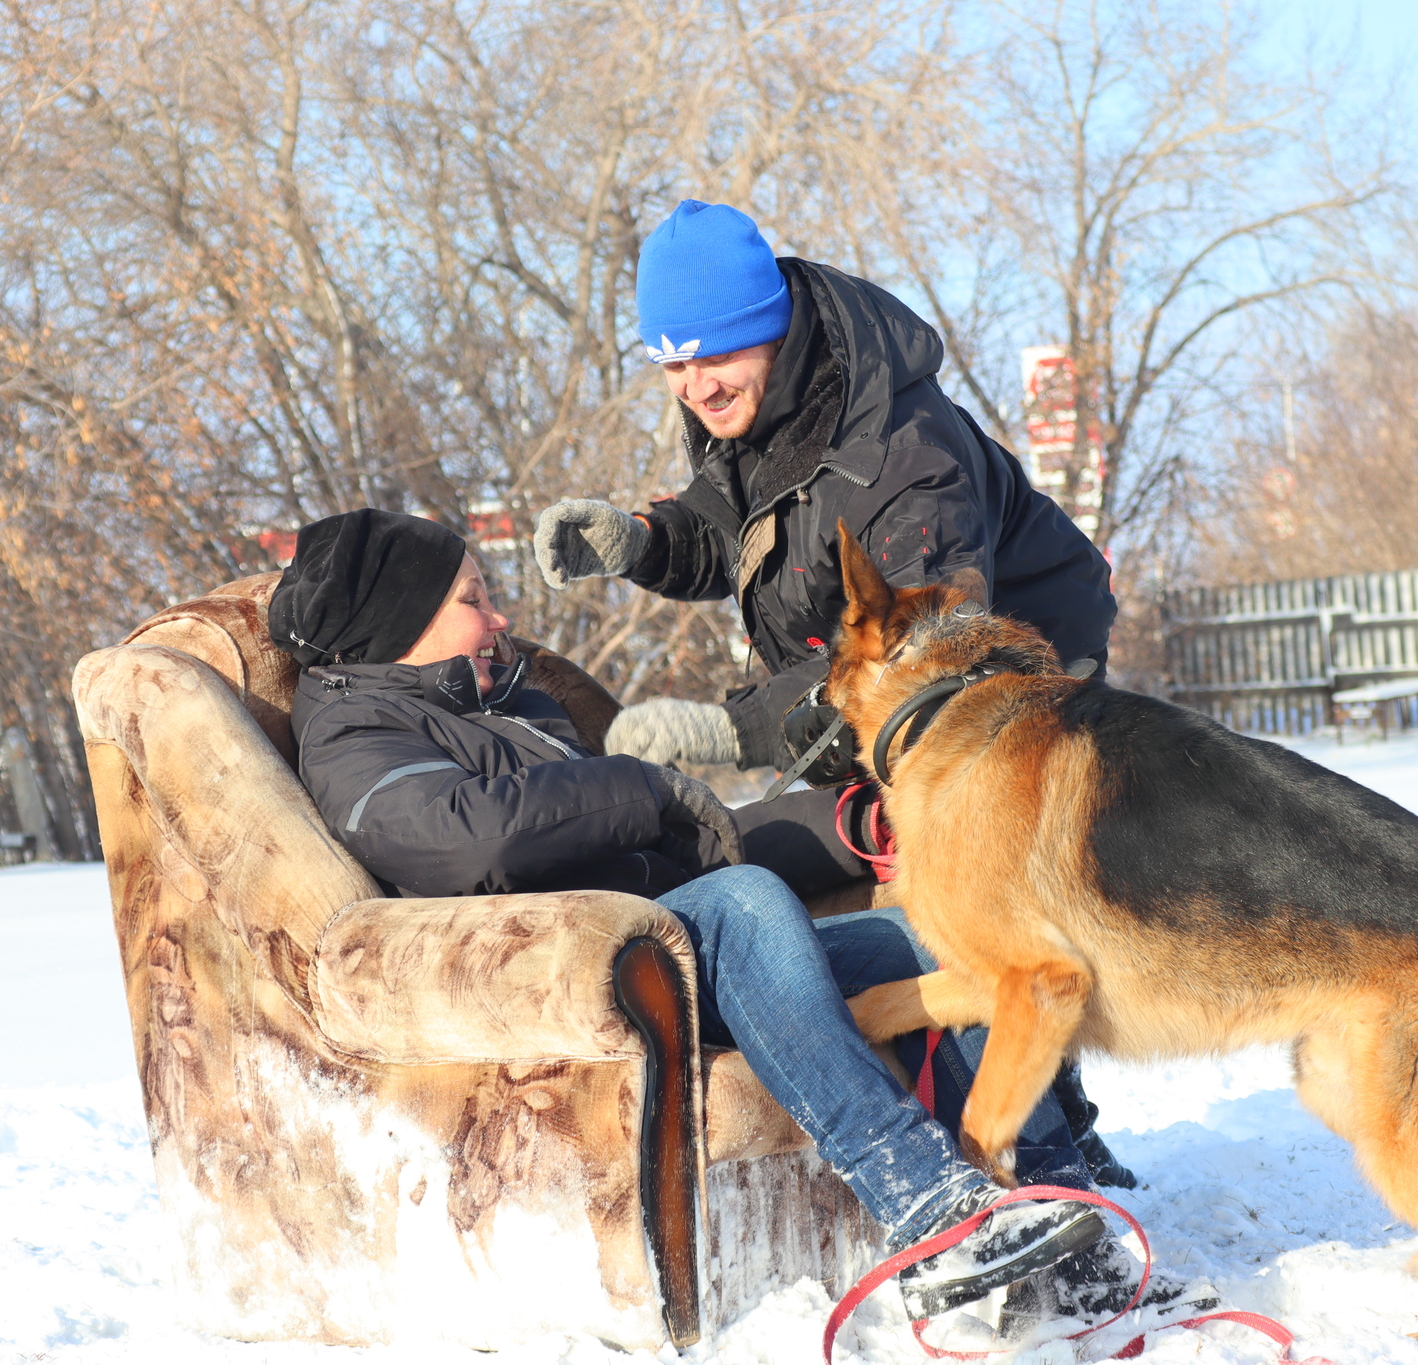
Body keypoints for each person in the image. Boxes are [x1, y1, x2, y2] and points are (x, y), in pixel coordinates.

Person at [268, 509, 1195, 1330]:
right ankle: (928, 1204)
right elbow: (464, 842)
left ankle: (1059, 1211)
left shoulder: (504, 700)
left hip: (673, 933)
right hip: (585, 974)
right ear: (401, 622)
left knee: (928, 943)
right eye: (474, 598)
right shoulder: (355, 735)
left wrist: (820, 826)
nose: (500, 617)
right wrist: (644, 785)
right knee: (743, 903)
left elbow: (644, 833)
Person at [531, 199, 1134, 1192]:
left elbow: (925, 648)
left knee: (966, 903)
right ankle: (1071, 1145)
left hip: (1011, 676)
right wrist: (641, 542)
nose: (693, 387)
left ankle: (1047, 1172)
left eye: (711, 359)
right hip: (874, 677)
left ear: (766, 324)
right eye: (671, 367)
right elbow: (735, 520)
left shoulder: (905, 457)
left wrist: (734, 724)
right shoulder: (767, 401)